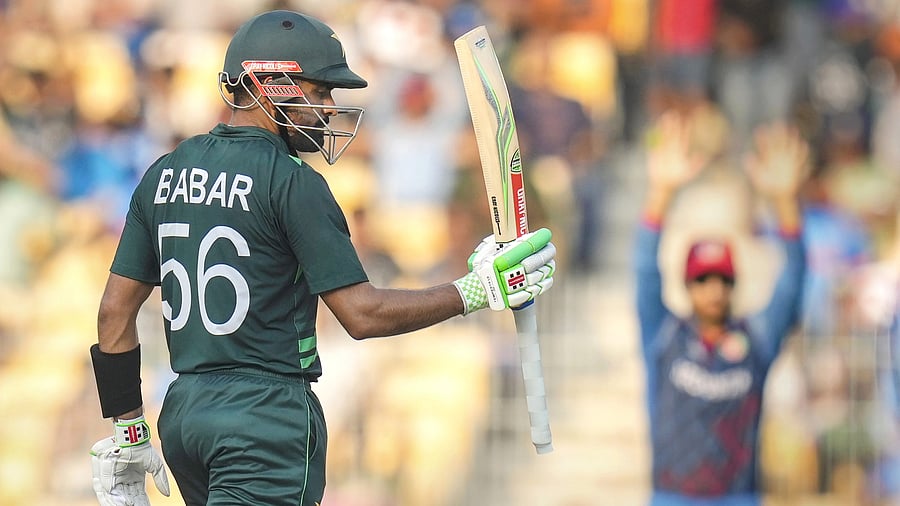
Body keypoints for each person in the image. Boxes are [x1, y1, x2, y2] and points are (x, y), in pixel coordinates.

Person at [87, 10, 556, 506]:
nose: (329, 109)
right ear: (271, 84)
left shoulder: (164, 172)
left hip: (183, 416)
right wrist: (475, 292)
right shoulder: (292, 181)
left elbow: (113, 313)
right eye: (321, 91)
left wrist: (130, 430)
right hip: (265, 420)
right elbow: (361, 315)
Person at [635, 113, 808, 506]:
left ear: (734, 285)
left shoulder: (757, 340)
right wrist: (660, 193)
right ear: (686, 284)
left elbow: (792, 283)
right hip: (670, 497)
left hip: (738, 497)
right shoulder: (665, 338)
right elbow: (644, 270)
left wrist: (784, 203)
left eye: (723, 280)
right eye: (702, 279)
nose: (713, 290)